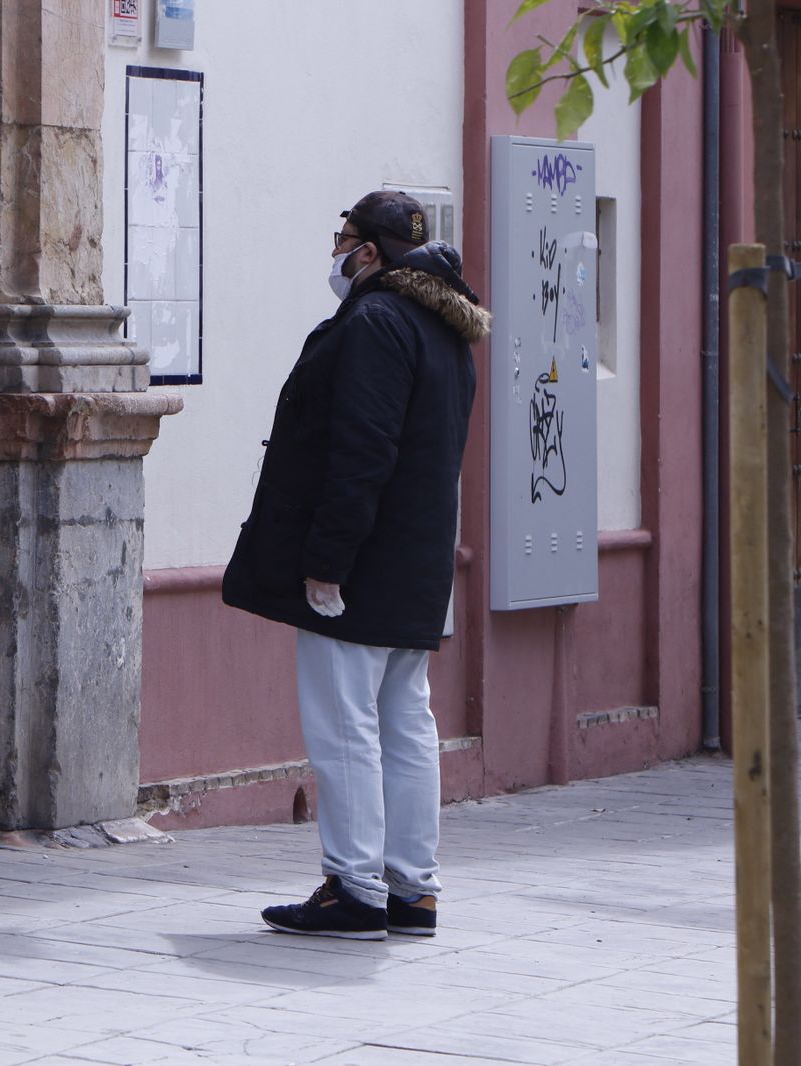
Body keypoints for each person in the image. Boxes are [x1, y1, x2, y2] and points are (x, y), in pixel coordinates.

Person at [221, 190, 488, 940]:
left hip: (362, 564)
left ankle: (355, 887)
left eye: (341, 238)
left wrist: (327, 561)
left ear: (368, 252)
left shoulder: (375, 322)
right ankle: (414, 889)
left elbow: (361, 452)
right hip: (417, 563)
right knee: (406, 722)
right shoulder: (443, 327)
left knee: (346, 726)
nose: (334, 252)